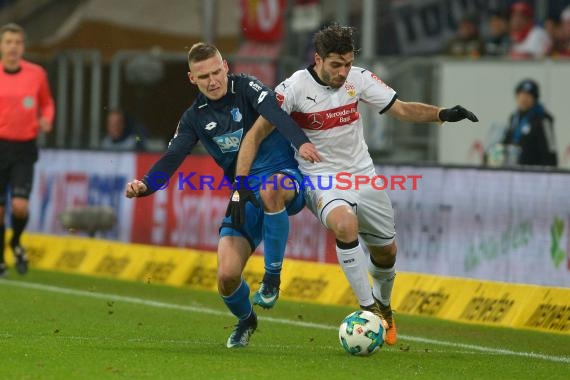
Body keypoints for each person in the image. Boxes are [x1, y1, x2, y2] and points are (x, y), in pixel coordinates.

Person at [230, 24, 478, 346]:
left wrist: (443, 114)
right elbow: (256, 134)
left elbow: (401, 109)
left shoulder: (358, 78)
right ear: (318, 59)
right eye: (336, 65)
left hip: (363, 175)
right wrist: (240, 183)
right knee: (345, 225)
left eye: (348, 63)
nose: (343, 71)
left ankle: (384, 306)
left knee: (386, 252)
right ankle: (368, 309)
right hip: (320, 179)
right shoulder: (293, 88)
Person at [125, 42, 319, 348]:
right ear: (192, 79)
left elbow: (274, 112)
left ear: (226, 66)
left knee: (271, 190)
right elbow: (173, 156)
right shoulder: (194, 118)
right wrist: (147, 184)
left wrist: (301, 141)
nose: (213, 81)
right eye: (204, 77)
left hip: (285, 180)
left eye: (217, 72)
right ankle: (246, 320)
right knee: (227, 277)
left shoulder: (248, 88)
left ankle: (271, 277)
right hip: (243, 195)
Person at [0, 23, 54, 276]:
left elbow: (47, 103)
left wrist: (47, 119)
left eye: (17, 42)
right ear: (1, 46)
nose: (13, 47)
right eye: (8, 42)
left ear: (23, 46)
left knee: (19, 206)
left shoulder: (36, 74)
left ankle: (15, 242)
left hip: (24, 148)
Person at [501, 79, 557, 166]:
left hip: (534, 171)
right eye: (521, 95)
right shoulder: (514, 118)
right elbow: (507, 140)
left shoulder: (543, 119)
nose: (524, 99)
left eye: (528, 95)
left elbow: (550, 150)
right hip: (514, 169)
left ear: (535, 98)